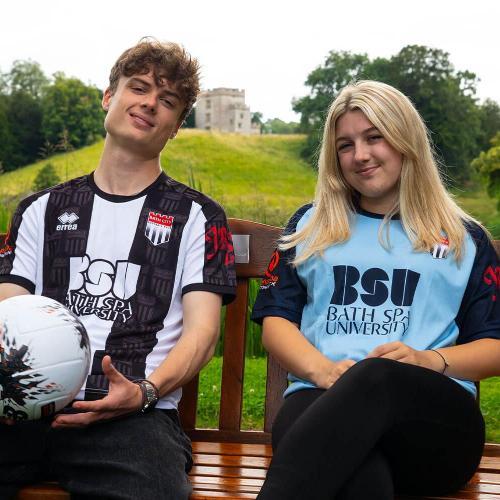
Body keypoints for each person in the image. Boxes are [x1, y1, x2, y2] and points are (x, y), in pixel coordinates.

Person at [0, 39, 236, 499]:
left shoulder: (199, 217)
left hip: (132, 417)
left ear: (175, 128)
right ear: (109, 97)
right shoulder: (40, 210)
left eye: (167, 101)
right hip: (23, 406)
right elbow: (8, 312)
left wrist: (145, 392)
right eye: (139, 87)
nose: (150, 102)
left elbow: (202, 334)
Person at [252, 80, 500, 499]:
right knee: (360, 476)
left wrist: (426, 359)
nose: (360, 155)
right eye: (345, 145)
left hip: (432, 426)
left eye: (374, 137)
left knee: (379, 377)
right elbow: (276, 320)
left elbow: (494, 346)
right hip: (319, 401)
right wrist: (323, 371)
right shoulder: (311, 226)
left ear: (406, 140)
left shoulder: (463, 238)